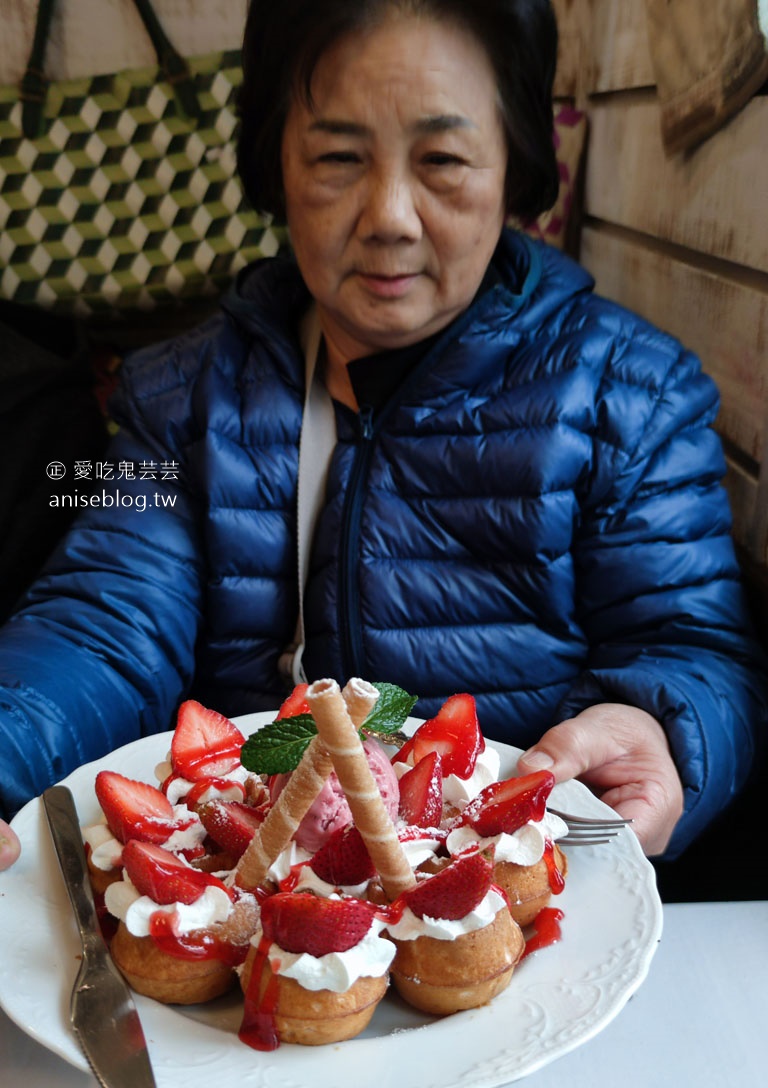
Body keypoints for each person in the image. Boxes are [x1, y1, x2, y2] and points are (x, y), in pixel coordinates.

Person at [0, 0, 765, 865]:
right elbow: (103, 616)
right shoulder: (172, 399)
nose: (391, 215)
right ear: (272, 161)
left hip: (533, 902)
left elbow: (692, 648)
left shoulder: (638, 398)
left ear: (515, 162)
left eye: (441, 159)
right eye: (337, 157)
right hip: (258, 900)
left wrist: (662, 726)